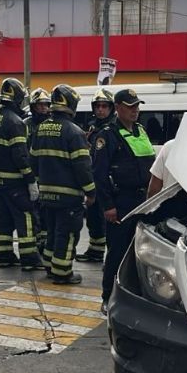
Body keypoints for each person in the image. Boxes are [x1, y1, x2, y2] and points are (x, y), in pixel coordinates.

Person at [92, 88, 156, 312]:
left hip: (143, 200)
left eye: (137, 105)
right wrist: (108, 205)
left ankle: (135, 296)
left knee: (141, 251)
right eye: (130, 106)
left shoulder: (140, 130)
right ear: (117, 108)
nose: (135, 110)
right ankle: (108, 297)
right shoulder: (107, 135)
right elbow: (99, 174)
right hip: (121, 201)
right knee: (117, 251)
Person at [30, 85, 96, 284]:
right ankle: (62, 272)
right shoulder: (74, 132)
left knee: (52, 232)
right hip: (68, 196)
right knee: (67, 234)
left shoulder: (41, 128)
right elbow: (83, 167)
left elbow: (33, 161)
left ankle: (50, 266)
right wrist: (91, 192)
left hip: (46, 194)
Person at [0, 78, 44, 271]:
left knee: (4, 219)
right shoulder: (15, 122)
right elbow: (20, 154)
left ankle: (4, 256)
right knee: (26, 217)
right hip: (14, 181)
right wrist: (30, 180)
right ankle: (30, 258)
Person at [75, 89, 115, 263]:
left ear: (111, 108)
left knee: (102, 218)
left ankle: (103, 253)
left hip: (107, 181)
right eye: (97, 106)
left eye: (104, 106)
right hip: (93, 178)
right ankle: (95, 250)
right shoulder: (93, 126)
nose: (100, 109)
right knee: (93, 218)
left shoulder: (113, 128)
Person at [25, 88, 52, 254]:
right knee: (33, 210)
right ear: (33, 106)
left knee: (47, 210)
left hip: (48, 174)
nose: (43, 108)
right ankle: (36, 240)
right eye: (40, 105)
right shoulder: (26, 124)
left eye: (46, 105)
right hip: (30, 173)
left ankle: (46, 241)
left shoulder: (52, 123)